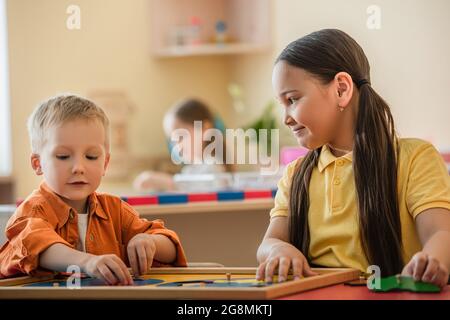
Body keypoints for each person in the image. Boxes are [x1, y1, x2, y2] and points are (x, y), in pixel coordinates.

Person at [256, 29, 450, 288]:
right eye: (282, 104)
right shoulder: (295, 174)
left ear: (342, 89)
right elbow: (268, 243)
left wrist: (433, 259)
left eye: (292, 99)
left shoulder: (415, 158)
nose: (286, 118)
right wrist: (277, 250)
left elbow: (441, 232)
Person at [0, 94, 187, 284]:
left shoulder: (116, 210)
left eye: (91, 156)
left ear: (105, 163)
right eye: (63, 156)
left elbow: (171, 248)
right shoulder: (32, 212)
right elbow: (38, 246)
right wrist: (88, 262)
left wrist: (149, 242)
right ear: (38, 163)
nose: (79, 167)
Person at [133, 98, 231, 191]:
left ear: (205, 129)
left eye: (180, 137)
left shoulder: (214, 165)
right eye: (173, 141)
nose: (177, 146)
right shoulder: (189, 171)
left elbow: (207, 188)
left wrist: (169, 183)